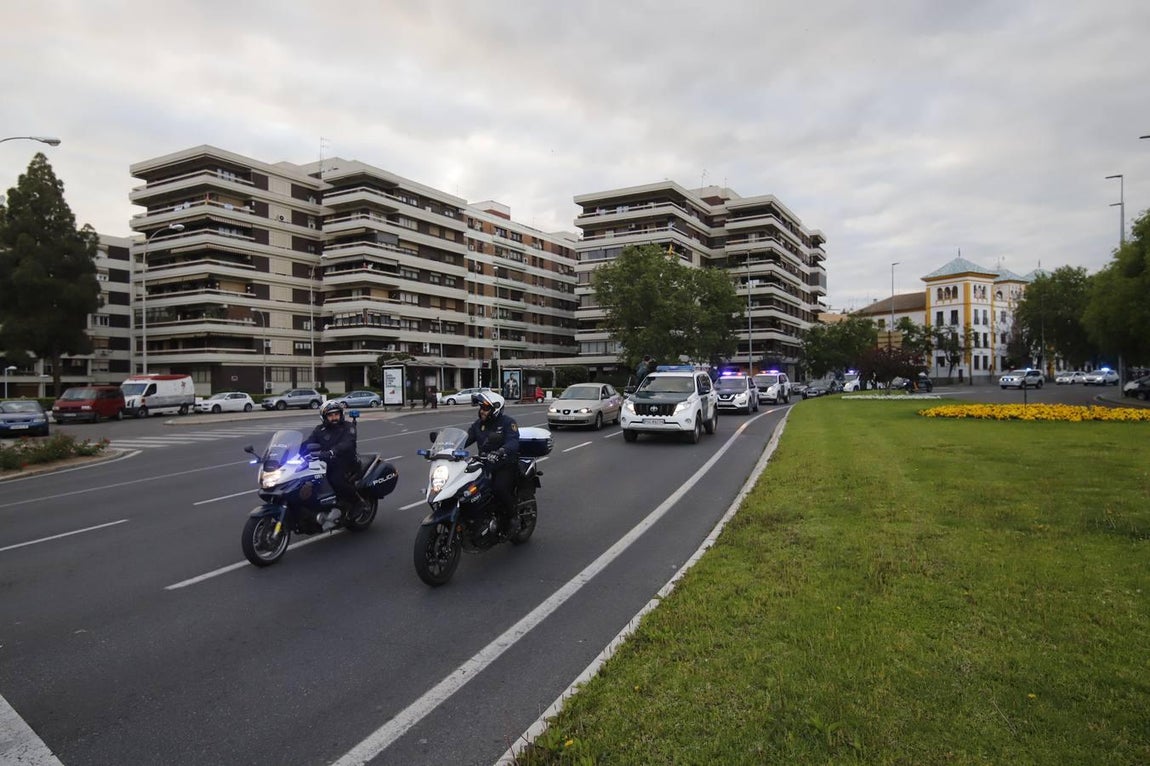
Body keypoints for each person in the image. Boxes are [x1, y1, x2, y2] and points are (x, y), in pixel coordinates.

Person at [465, 391, 521, 535]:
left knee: (499, 488)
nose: (482, 411)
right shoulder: (478, 425)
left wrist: (501, 451)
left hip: (504, 464)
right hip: (485, 463)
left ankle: (514, 517)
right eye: (481, 408)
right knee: (468, 489)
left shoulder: (508, 423)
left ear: (495, 409)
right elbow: (465, 439)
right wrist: (447, 447)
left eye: (485, 408)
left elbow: (513, 441)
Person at [306, 400, 364, 528]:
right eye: (330, 415)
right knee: (306, 479)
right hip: (324, 462)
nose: (334, 418)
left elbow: (347, 444)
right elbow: (307, 443)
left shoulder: (348, 427)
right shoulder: (319, 430)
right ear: (324, 417)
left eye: (336, 414)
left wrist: (332, 452)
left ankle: (357, 502)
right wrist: (290, 451)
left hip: (346, 462)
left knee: (335, 480)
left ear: (341, 414)